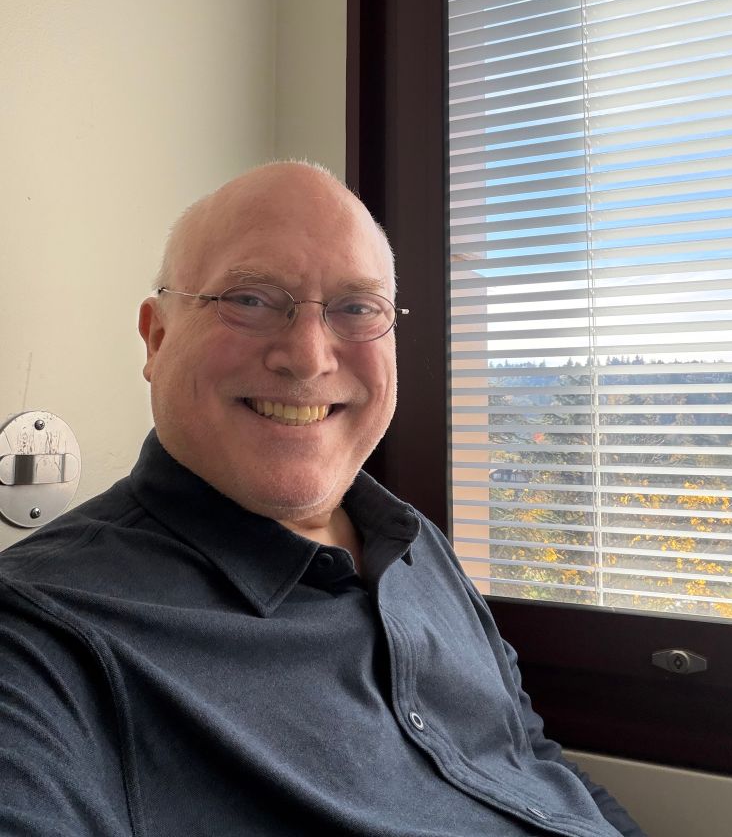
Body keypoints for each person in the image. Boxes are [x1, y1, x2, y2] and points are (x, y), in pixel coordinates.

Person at [0, 161, 647, 837]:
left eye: (357, 308)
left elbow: (530, 762)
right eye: (250, 299)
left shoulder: (414, 544)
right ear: (157, 338)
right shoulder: (42, 636)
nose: (309, 357)